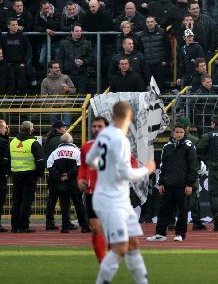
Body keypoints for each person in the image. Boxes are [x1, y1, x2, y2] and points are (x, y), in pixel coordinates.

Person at [86, 100, 157, 284]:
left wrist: (104, 170)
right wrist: (146, 170)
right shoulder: (120, 139)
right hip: (111, 200)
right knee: (120, 247)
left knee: (133, 244)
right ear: (130, 117)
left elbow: (90, 159)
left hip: (119, 200)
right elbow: (126, 173)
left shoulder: (103, 135)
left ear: (111, 116)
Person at [149, 122, 199, 242]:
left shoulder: (189, 146)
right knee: (163, 210)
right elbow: (162, 166)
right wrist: (161, 183)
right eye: (177, 132)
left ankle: (180, 234)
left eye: (181, 132)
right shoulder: (167, 146)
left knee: (182, 211)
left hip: (182, 185)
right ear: (173, 133)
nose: (179, 134)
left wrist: (189, 184)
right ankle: (160, 234)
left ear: (184, 133)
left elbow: (193, 167)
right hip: (168, 185)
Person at [78, 115, 110, 262]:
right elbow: (83, 167)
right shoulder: (86, 146)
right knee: (96, 228)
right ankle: (102, 261)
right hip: (91, 192)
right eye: (94, 126)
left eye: (100, 126)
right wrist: (80, 179)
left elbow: (130, 162)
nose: (97, 129)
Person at [46, 132, 88, 233]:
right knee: (79, 204)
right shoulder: (76, 151)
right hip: (74, 182)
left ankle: (65, 227)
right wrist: (68, 175)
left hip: (61, 183)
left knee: (64, 205)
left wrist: (60, 176)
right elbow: (79, 166)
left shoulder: (55, 152)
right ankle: (84, 226)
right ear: (70, 140)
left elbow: (49, 165)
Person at [9, 120, 44, 232]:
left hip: (16, 174)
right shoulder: (33, 143)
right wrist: (39, 174)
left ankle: (14, 226)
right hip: (29, 175)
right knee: (26, 201)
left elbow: (7, 158)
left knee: (16, 200)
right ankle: (24, 226)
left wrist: (10, 172)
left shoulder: (13, 142)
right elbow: (40, 161)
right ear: (31, 130)